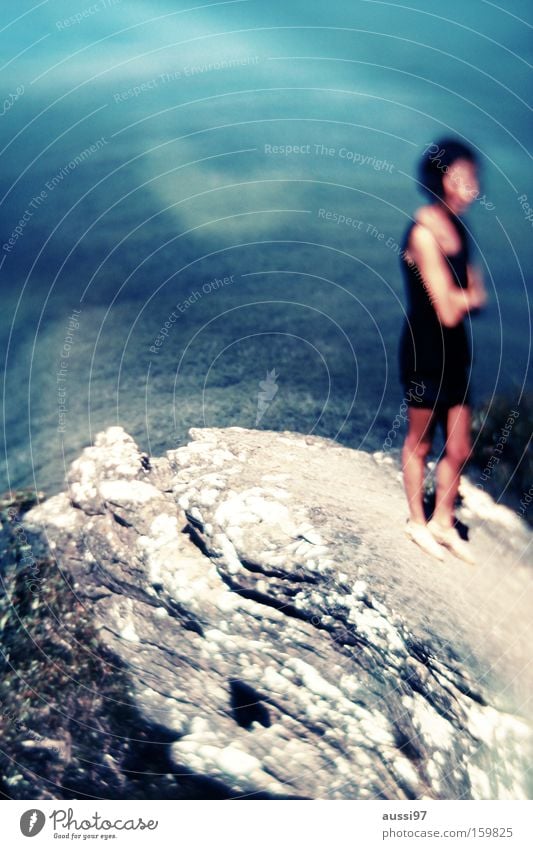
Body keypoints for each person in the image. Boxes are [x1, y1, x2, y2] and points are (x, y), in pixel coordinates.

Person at [398, 139, 488, 562]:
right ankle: (418, 521)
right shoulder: (423, 232)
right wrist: (463, 297)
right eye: (462, 178)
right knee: (420, 443)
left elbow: (476, 294)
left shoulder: (457, 229)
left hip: (456, 352)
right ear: (441, 180)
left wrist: (462, 297)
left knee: (459, 447)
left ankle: (443, 520)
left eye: (474, 179)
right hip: (425, 351)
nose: (472, 187)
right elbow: (450, 310)